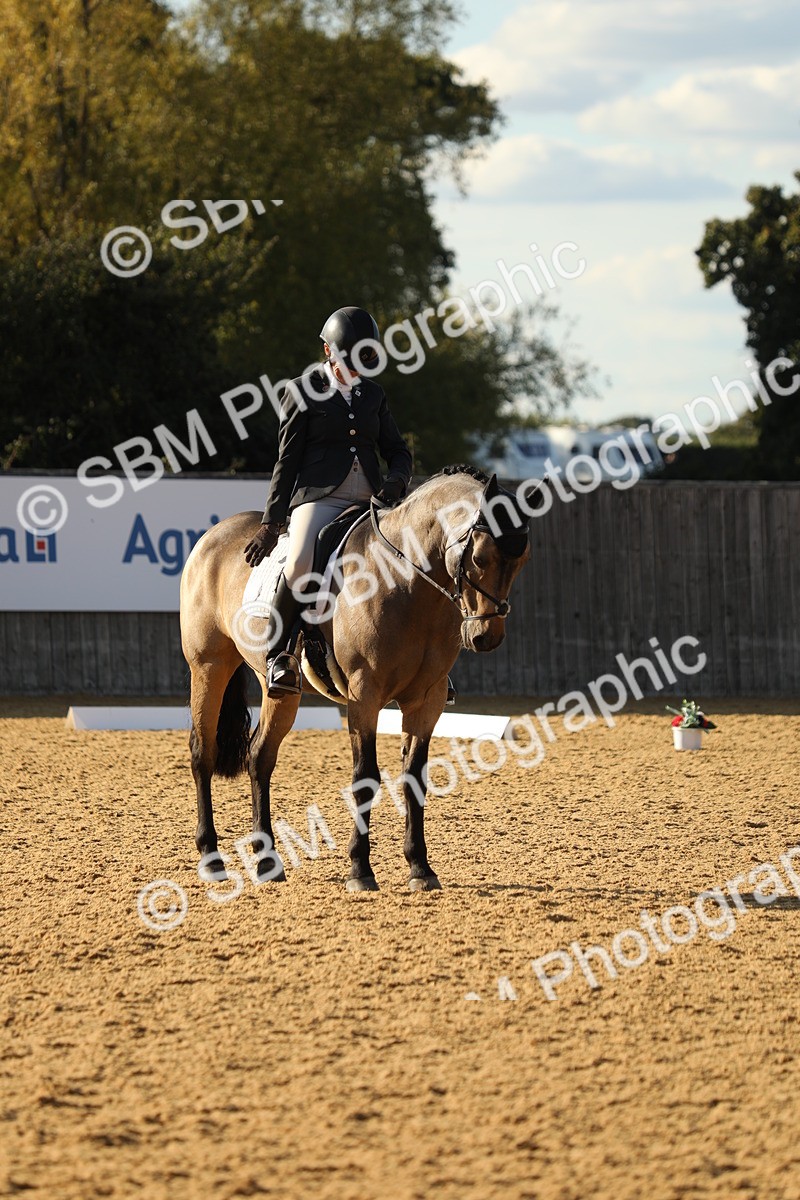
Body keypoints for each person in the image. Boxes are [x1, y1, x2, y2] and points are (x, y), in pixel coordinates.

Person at [244, 306, 413, 697]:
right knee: (303, 559)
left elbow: (398, 451)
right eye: (347, 362)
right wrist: (271, 524)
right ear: (327, 351)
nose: (355, 371)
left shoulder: (374, 394)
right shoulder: (301, 391)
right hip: (320, 497)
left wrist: (395, 482)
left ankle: (421, 663)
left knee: (411, 556)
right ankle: (280, 656)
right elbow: (286, 461)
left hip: (371, 498)